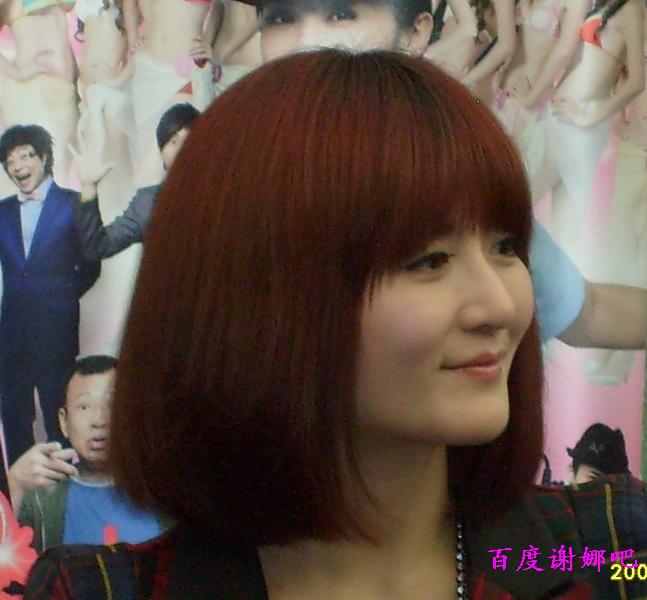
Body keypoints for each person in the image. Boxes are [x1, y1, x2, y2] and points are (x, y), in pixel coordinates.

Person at [24, 49, 647, 600]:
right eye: (429, 260)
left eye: (506, 247)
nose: (501, 306)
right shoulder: (98, 591)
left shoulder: (608, 551)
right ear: (259, 298)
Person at [254, 0, 647, 351]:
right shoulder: (237, 178)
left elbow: (587, 313)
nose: (304, 42)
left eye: (341, 14)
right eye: (280, 17)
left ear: (415, 33)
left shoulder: (457, 179)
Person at [0, 125, 100, 467]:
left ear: (43, 158)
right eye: (10, 161)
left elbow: (92, 263)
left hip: (56, 331)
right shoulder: (2, 211)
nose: (18, 166)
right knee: (14, 414)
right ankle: (23, 489)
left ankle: (63, 487)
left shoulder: (73, 203)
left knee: (58, 411)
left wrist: (61, 297)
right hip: (11, 334)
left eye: (25, 155)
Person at [16, 356, 167, 553]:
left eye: (111, 405)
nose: (98, 420)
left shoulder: (163, 492)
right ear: (64, 422)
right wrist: (14, 481)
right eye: (84, 407)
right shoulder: (39, 503)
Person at [74, 103, 200, 261]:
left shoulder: (223, 193)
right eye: (173, 142)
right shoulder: (149, 203)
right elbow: (98, 247)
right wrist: (88, 186)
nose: (181, 150)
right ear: (161, 151)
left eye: (189, 140)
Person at [0, 0, 79, 185]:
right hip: (29, 91)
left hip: (63, 92)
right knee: (41, 171)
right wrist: (17, 72)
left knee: (62, 172)